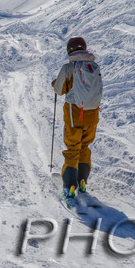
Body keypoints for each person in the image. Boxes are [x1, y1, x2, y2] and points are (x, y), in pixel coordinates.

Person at [52, 36, 102, 200]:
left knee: (72, 148)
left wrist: (55, 83)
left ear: (70, 50)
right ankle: (82, 181)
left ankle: (69, 186)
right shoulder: (93, 66)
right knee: (85, 147)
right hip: (92, 115)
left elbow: (60, 90)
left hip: (74, 115)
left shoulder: (68, 68)